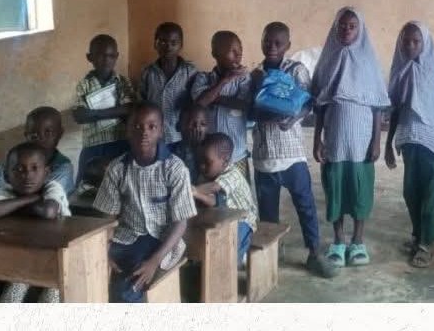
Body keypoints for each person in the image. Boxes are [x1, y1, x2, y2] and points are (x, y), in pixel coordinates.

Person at [249, 21, 337, 278]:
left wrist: (293, 116)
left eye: (278, 43)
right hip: (264, 155)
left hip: (292, 155)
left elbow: (307, 101)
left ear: (288, 45)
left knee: (305, 205)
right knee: (268, 214)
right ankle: (270, 254)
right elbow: (250, 109)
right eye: (267, 41)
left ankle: (314, 253)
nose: (272, 47)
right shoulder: (255, 74)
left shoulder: (296, 70)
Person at [92, 102, 197, 303]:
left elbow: (180, 223)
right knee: (89, 270)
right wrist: (103, 253)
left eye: (151, 126)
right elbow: (107, 219)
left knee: (127, 288)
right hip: (125, 238)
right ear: (127, 130)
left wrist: (154, 261)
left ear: (161, 130)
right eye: (137, 127)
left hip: (161, 240)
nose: (144, 133)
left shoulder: (174, 169)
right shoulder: (117, 168)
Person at [311, 7, 390, 268]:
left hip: (361, 140)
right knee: (335, 188)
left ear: (360, 29)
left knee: (360, 189)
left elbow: (378, 104)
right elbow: (320, 103)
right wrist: (317, 139)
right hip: (335, 137)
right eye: (342, 26)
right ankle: (338, 240)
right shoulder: (329, 58)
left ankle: (358, 240)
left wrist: (377, 140)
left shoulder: (368, 61)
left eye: (352, 26)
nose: (346, 30)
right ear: (335, 28)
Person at [385, 21, 434, 268]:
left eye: (416, 41)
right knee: (410, 192)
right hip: (408, 140)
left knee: (430, 195)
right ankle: (417, 234)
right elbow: (394, 109)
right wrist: (388, 144)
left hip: (432, 142)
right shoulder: (399, 72)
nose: (410, 45)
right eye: (405, 41)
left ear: (425, 44)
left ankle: (427, 243)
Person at [0, 142, 70, 303]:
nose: (27, 175)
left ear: (47, 173)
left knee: (51, 297)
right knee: (11, 295)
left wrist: (13, 206)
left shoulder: (52, 187)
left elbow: (48, 212)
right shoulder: (8, 190)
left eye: (35, 168)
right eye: (19, 169)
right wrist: (31, 198)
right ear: (7, 176)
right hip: (25, 261)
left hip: (59, 261)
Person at [73, 34, 136, 185]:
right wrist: (116, 110)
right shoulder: (84, 85)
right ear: (90, 57)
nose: (106, 59)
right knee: (86, 183)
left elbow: (129, 109)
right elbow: (79, 115)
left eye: (111, 55)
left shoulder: (122, 82)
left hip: (119, 140)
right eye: (100, 55)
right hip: (92, 144)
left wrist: (95, 114)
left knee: (121, 180)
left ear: (116, 57)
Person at [191, 31, 253, 179]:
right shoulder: (203, 78)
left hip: (237, 155)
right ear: (215, 53)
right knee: (210, 198)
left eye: (240, 51)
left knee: (238, 199)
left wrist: (213, 97)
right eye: (232, 51)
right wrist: (225, 80)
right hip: (208, 157)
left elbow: (245, 105)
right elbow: (199, 102)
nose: (238, 55)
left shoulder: (244, 78)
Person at [192, 133, 259, 269]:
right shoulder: (206, 175)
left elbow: (215, 187)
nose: (202, 166)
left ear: (225, 161)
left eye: (207, 162)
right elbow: (214, 200)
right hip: (222, 217)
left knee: (231, 249)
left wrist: (191, 190)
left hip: (244, 220)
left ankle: (240, 255)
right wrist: (196, 193)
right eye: (200, 161)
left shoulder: (233, 173)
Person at [0, 106, 75, 198]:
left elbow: (45, 198)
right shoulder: (15, 159)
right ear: (26, 136)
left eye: (48, 132)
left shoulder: (63, 167)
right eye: (34, 134)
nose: (41, 139)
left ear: (60, 133)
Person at [139, 22, 198, 149]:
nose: (168, 46)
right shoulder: (148, 72)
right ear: (155, 44)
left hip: (181, 136)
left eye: (174, 42)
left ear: (181, 45)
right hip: (154, 136)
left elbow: (196, 101)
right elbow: (141, 102)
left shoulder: (190, 71)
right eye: (163, 42)